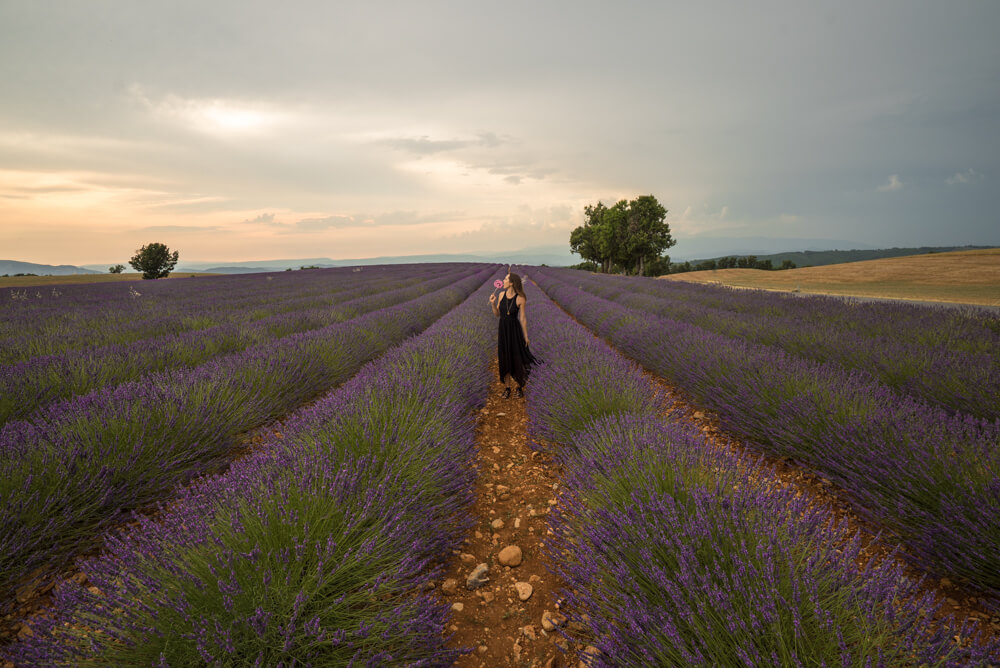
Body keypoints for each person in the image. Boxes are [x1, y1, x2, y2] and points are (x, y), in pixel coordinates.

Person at [488, 272, 537, 398]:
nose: (503, 281)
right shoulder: (500, 295)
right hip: (503, 330)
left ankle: (519, 387)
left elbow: (523, 319)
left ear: (511, 283)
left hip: (514, 331)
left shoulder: (521, 298)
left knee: (517, 358)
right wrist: (493, 303)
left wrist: (526, 336)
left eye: (505, 279)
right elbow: (497, 314)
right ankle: (507, 388)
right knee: (504, 357)